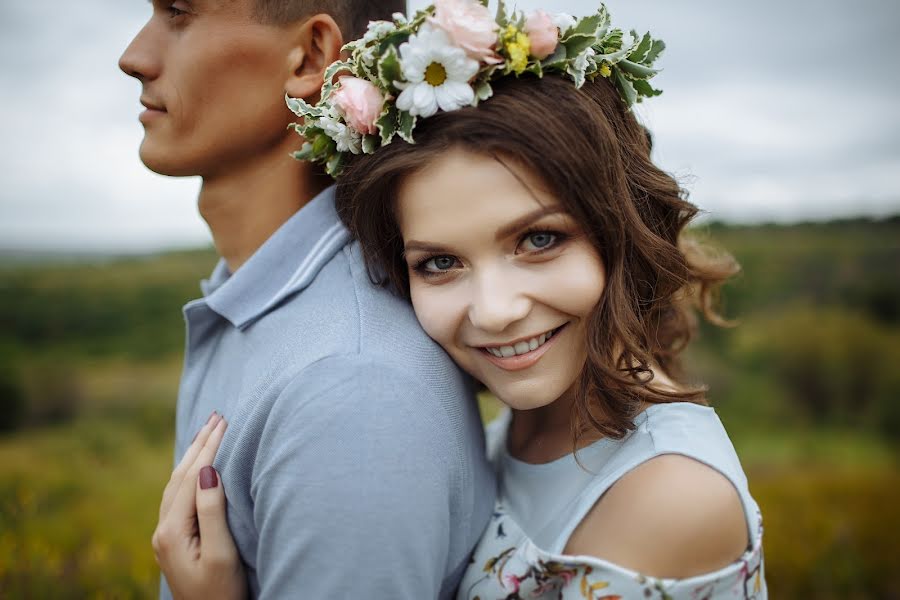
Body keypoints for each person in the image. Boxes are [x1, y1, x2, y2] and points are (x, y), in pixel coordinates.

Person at [157, 2, 767, 598]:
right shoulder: (531, 426)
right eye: (441, 263)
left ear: (621, 230)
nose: (495, 310)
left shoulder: (670, 496)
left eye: (539, 240)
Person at [118, 1, 497, 599]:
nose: (133, 57)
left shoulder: (353, 386)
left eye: (179, 13)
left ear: (311, 56)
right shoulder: (272, 307)